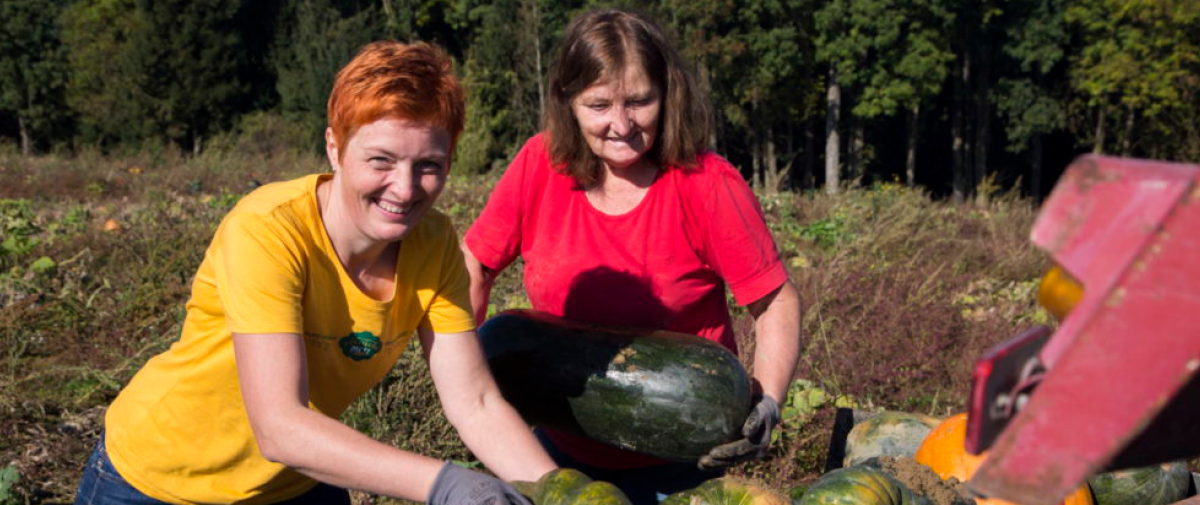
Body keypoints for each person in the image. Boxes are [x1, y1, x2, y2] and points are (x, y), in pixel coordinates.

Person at [74, 41, 556, 505]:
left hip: (292, 485)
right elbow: (280, 426)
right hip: (160, 483)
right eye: (381, 160)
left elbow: (475, 402)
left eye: (429, 165)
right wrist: (445, 484)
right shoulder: (268, 230)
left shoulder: (435, 246)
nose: (405, 189)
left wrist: (560, 490)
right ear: (334, 147)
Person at [462, 8, 802, 504]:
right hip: (554, 448)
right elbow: (476, 264)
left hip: (683, 462)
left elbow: (775, 303)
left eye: (640, 101)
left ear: (667, 95)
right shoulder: (541, 163)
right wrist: (465, 375)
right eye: (599, 105)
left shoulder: (706, 184)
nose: (621, 124)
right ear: (569, 101)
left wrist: (768, 400)